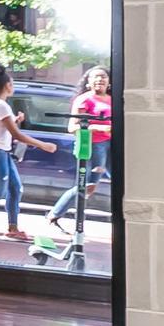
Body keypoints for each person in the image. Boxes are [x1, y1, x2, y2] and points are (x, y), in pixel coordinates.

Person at [0, 64, 54, 241]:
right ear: (8, 86)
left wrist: (14, 120)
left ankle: (13, 227)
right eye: (12, 84)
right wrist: (43, 145)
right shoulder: (1, 106)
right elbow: (16, 134)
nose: (12, 87)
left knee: (15, 189)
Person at [49, 67, 113, 230]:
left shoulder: (112, 99)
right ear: (88, 82)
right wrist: (100, 128)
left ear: (109, 81)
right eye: (96, 77)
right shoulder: (84, 100)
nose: (100, 80)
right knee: (87, 185)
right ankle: (55, 214)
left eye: (103, 77)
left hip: (112, 145)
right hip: (92, 146)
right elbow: (73, 127)